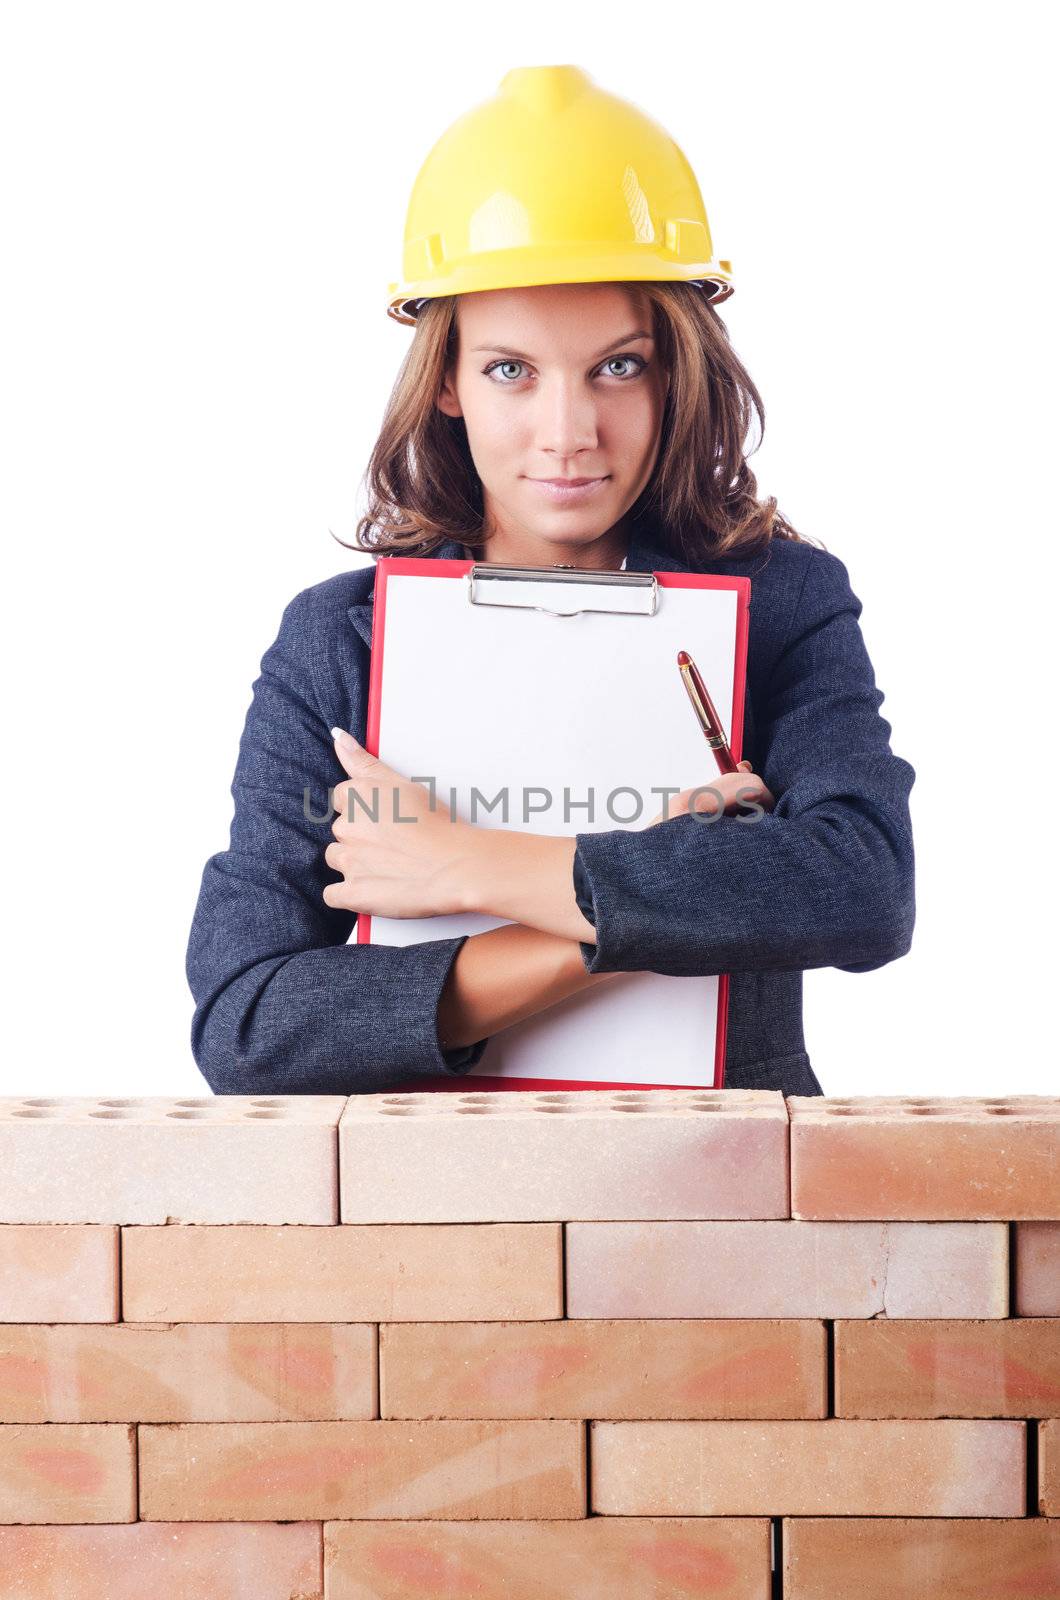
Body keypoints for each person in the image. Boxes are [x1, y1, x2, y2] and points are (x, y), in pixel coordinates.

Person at [185, 66, 916, 1098]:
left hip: (734, 1199)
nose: (567, 434)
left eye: (618, 366)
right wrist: (630, 912)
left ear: (677, 370)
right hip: (436, 1209)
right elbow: (249, 1025)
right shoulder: (338, 643)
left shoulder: (781, 604)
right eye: (509, 370)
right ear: (444, 378)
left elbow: (864, 888)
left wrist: (470, 864)